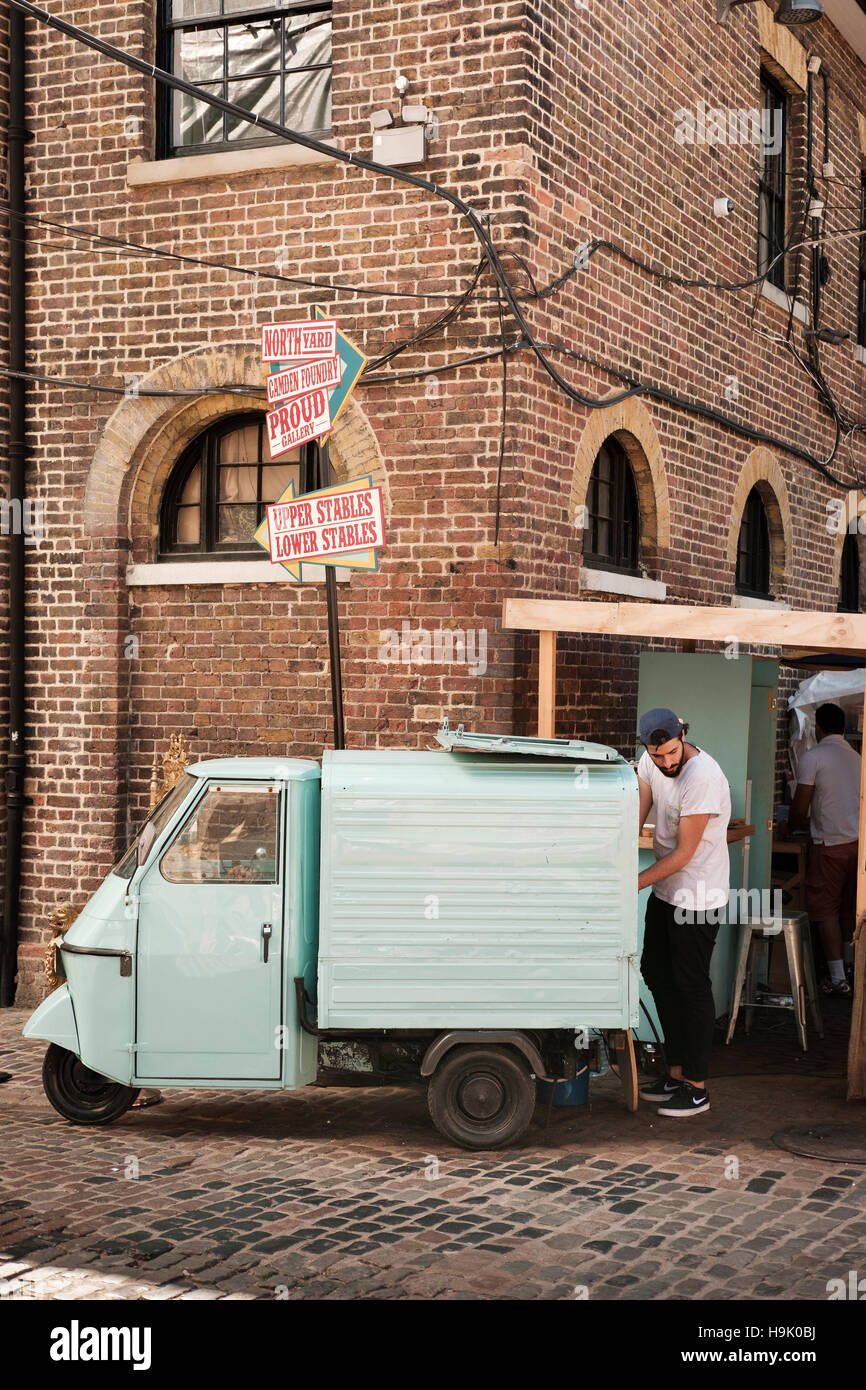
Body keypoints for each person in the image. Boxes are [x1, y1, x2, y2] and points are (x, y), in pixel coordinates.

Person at [635, 707, 732, 1117]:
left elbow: (684, 854)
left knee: (691, 985)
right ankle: (674, 1073)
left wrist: (624, 884)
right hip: (667, 891)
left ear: (683, 736)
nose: (666, 763)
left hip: (698, 896)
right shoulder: (649, 761)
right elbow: (632, 819)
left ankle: (696, 1087)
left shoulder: (704, 777)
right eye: (658, 757)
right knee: (656, 974)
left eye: (672, 753)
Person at [787, 702, 860, 997]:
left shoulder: (813, 757)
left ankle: (837, 978)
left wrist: (790, 825)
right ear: (843, 728)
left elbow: (800, 805)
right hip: (857, 845)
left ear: (818, 728)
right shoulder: (857, 757)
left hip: (829, 844)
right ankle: (851, 969)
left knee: (825, 910)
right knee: (848, 911)